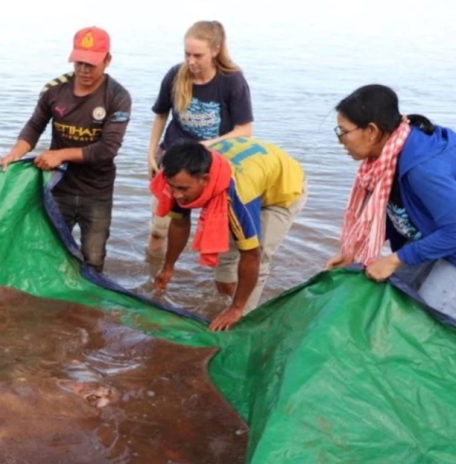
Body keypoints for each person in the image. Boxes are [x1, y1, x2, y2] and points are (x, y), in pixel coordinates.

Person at [0, 26, 132, 273]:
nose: (83, 70)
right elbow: (34, 125)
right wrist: (15, 153)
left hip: (97, 192)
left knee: (93, 257)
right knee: (48, 252)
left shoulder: (118, 97)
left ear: (107, 60)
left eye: (91, 64)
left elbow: (107, 149)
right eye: (79, 62)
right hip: (59, 187)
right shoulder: (54, 89)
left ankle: (89, 306)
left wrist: (59, 154)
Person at [327, 84, 456, 317]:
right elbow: (398, 209)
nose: (340, 140)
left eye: (343, 131)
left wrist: (395, 260)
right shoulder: (388, 155)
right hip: (435, 231)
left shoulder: (422, 169)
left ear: (372, 131)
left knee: (429, 323)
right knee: (395, 301)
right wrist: (351, 251)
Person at [150, 139, 306, 330]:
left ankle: (244, 319)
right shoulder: (177, 182)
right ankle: (231, 300)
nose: (176, 195)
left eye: (183, 189)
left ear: (205, 179)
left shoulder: (238, 196)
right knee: (224, 273)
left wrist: (237, 308)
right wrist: (168, 268)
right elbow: (180, 224)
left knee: (259, 252)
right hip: (256, 172)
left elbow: (251, 255)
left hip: (282, 192)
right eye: (172, 187)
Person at [147, 21, 253, 255]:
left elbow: (244, 130)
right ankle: (155, 278)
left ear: (215, 50)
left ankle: (218, 281)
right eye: (187, 54)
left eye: (198, 55)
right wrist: (151, 152)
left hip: (212, 164)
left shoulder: (232, 80)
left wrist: (207, 145)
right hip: (173, 160)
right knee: (160, 228)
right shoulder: (176, 75)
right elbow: (160, 114)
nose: (191, 61)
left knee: (222, 233)